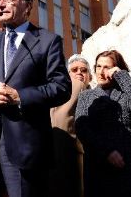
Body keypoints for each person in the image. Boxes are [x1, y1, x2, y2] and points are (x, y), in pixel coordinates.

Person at [0, 0, 71, 197]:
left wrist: (19, 96)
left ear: (27, 6)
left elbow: (61, 87)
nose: (1, 4)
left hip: (25, 146)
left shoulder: (48, 41)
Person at [76, 50, 131, 196]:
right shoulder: (86, 96)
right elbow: (82, 128)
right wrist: (106, 151)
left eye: (107, 67)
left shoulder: (126, 91)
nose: (101, 72)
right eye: (98, 66)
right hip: (100, 165)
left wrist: (122, 77)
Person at [48, 54, 92, 197]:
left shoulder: (93, 94)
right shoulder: (62, 90)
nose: (79, 72)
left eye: (84, 70)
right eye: (74, 70)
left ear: (90, 76)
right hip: (63, 154)